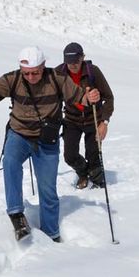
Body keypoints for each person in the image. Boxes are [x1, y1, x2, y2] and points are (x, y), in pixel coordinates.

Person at [0, 46, 100, 242]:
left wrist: (89, 97)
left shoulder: (57, 79)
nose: (31, 77)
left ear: (43, 66)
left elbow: (79, 96)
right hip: (19, 135)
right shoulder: (12, 79)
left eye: (35, 72)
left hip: (46, 140)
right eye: (27, 73)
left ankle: (51, 234)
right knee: (10, 162)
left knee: (47, 188)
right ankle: (16, 215)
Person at [55, 42, 114, 189]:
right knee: (69, 155)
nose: (73, 65)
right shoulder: (59, 73)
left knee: (93, 154)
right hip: (71, 120)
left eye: (76, 61)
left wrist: (104, 123)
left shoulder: (92, 72)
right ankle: (83, 173)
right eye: (69, 62)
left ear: (83, 57)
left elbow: (109, 97)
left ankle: (96, 177)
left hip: (93, 119)